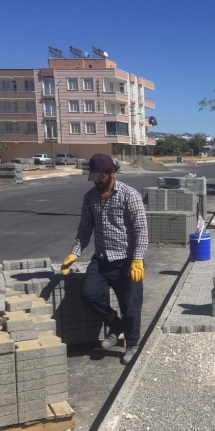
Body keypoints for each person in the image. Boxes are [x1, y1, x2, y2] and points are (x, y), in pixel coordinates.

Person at [60, 153, 148, 365]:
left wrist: (137, 259)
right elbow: (84, 229)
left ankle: (133, 344)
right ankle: (115, 325)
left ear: (112, 173)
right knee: (89, 294)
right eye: (95, 177)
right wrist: (75, 252)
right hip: (102, 259)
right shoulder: (90, 198)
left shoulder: (130, 195)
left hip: (127, 261)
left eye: (102, 177)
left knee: (131, 307)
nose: (98, 181)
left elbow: (141, 230)